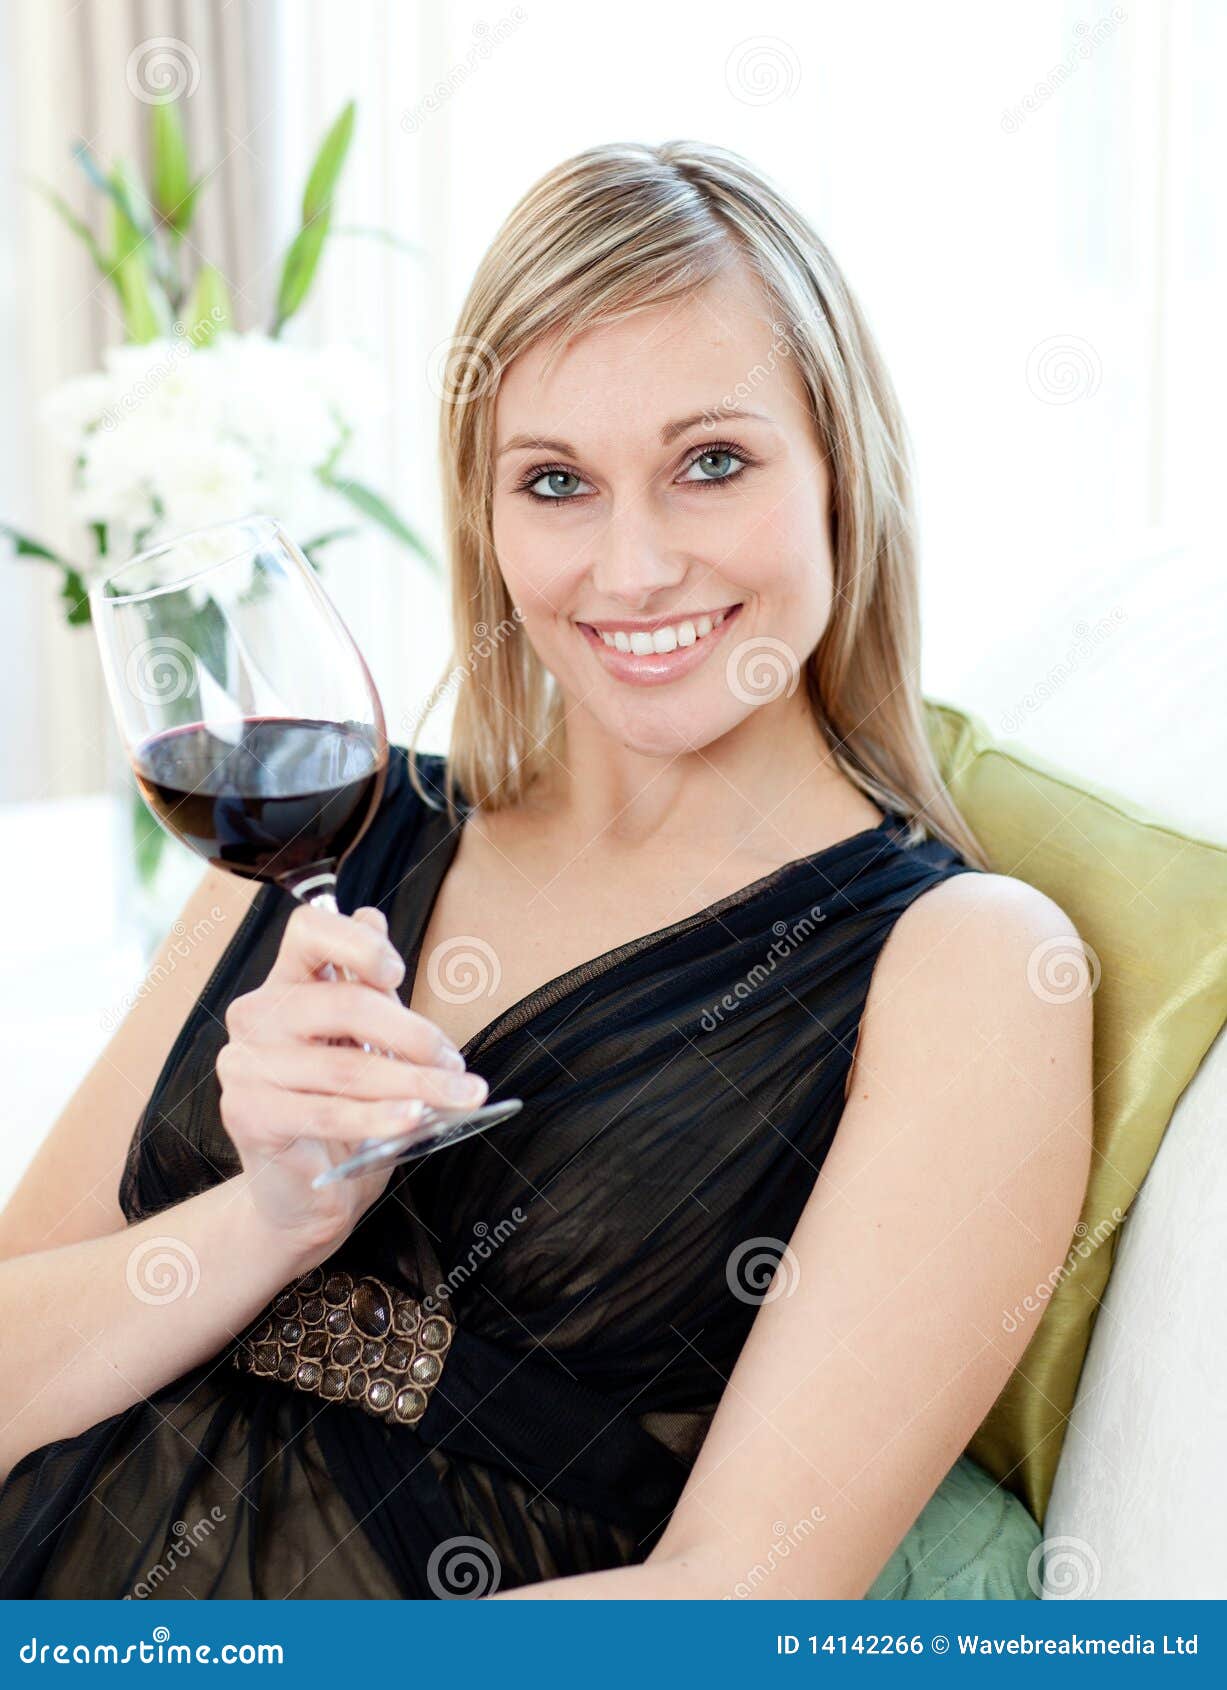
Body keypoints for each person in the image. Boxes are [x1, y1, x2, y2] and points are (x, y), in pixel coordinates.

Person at [0, 140, 1091, 1600]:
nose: (632, 568)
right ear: (487, 517)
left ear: (844, 473)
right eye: (557, 481)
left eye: (712, 462)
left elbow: (736, 1599)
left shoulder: (966, 966)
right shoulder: (335, 836)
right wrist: (267, 1220)